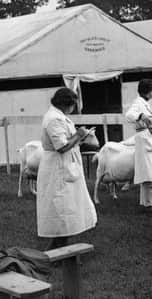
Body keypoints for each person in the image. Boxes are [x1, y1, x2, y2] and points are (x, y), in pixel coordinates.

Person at [37, 88, 97, 250]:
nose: (74, 108)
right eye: (73, 105)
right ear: (66, 104)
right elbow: (62, 147)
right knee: (62, 209)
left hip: (66, 165)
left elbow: (67, 141)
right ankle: (54, 252)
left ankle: (57, 250)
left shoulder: (60, 117)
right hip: (58, 168)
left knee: (68, 208)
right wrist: (79, 134)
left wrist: (80, 137)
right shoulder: (53, 119)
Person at [125, 79, 152, 211]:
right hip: (144, 138)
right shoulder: (138, 103)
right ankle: (149, 204)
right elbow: (129, 115)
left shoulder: (144, 103)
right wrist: (141, 116)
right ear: (148, 91)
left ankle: (145, 203)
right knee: (149, 172)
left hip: (148, 137)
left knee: (149, 171)